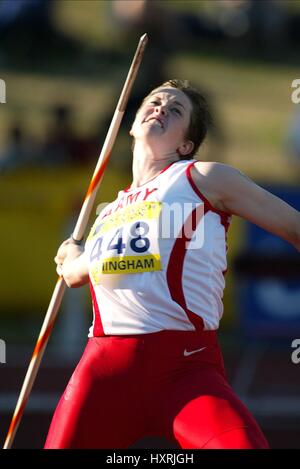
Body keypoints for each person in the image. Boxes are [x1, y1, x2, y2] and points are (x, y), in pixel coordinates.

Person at [44, 79, 300, 449]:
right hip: (105, 374)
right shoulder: (106, 216)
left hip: (187, 372)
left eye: (175, 109)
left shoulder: (203, 179)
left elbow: (294, 227)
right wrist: (71, 254)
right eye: (155, 101)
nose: (161, 107)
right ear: (131, 125)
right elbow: (73, 275)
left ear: (185, 145)